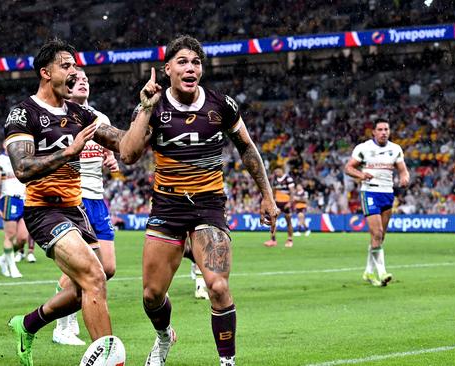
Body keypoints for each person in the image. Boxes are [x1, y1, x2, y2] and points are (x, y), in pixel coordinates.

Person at [119, 35, 279, 366]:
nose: (190, 67)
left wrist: (267, 195)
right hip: (167, 207)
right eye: (182, 62)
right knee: (151, 296)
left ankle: (227, 362)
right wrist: (146, 106)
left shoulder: (222, 105)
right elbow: (129, 154)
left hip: (208, 207)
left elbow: (246, 147)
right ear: (167, 69)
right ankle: (164, 337)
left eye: (196, 62)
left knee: (218, 286)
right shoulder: (154, 106)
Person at [3, 39, 125, 366]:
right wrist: (67, 153)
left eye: (74, 65)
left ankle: (27, 324)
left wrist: (148, 109)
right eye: (66, 66)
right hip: (44, 210)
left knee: (88, 285)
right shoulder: (23, 112)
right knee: (95, 278)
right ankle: (109, 361)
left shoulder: (79, 113)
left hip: (76, 209)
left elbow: (123, 143)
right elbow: (23, 168)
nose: (73, 71)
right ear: (46, 73)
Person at [52, 68, 120, 346]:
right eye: (76, 80)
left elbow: (110, 152)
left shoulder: (99, 118)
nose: (82, 82)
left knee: (109, 267)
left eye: (86, 80)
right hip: (73, 199)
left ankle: (61, 298)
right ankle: (63, 326)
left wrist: (111, 160)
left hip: (97, 199)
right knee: (85, 268)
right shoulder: (58, 117)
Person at [344, 118, 409, 287]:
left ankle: (368, 271)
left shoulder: (395, 149)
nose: (383, 132)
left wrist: (404, 177)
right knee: (377, 232)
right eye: (380, 129)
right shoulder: (364, 148)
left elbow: (403, 170)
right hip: (370, 192)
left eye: (386, 129)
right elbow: (348, 168)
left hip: (387, 193)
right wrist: (361, 175)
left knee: (380, 237)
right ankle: (382, 272)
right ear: (373, 132)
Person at [0, 145, 29, 278]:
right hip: (9, 199)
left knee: (23, 238)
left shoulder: (24, 159)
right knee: (10, 235)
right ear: (4, 144)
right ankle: (12, 268)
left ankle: (2, 259)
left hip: (25, 200)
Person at [264, 168, 295, 247]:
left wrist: (290, 202)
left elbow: (292, 191)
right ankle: (273, 240)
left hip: (286, 203)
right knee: (273, 220)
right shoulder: (275, 180)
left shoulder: (288, 178)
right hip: (278, 203)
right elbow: (273, 191)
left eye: (278, 171)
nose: (276, 173)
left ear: (282, 170)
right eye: (275, 171)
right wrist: (272, 201)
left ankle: (290, 240)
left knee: (288, 221)